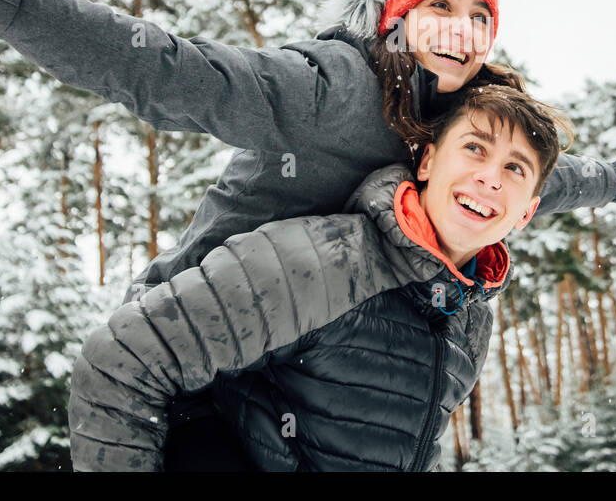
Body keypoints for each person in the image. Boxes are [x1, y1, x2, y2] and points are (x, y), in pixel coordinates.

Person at [0, 0, 616, 466]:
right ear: (395, 18)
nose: (464, 32)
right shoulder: (328, 86)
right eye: (442, 7)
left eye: (481, 19)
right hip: (201, 363)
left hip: (302, 371)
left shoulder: (463, 134)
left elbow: (551, 179)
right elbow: (161, 68)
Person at [69, 82, 568, 470]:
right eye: (475, 149)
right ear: (428, 160)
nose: (490, 177)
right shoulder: (322, 259)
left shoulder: (471, 317)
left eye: (516, 169)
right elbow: (119, 359)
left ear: (527, 213)